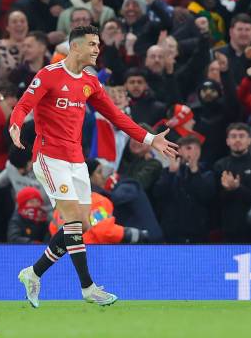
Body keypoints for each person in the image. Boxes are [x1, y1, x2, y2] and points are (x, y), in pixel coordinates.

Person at [9, 25, 178, 308]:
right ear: (75, 47)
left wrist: (150, 139)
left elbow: (115, 116)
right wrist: (15, 125)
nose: (97, 49)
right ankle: (88, 287)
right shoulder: (49, 75)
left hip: (76, 160)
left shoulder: (90, 82)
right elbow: (24, 105)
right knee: (74, 221)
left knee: (83, 225)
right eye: (91, 44)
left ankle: (33, 273)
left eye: (98, 44)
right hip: (50, 158)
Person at [152, 135, 215, 243]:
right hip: (172, 232)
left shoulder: (206, 173)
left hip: (197, 232)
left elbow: (207, 197)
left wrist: (194, 171)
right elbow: (158, 194)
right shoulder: (168, 171)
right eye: (186, 148)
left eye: (193, 148)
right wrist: (171, 174)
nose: (193, 152)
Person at [213, 122, 251, 242]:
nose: (237, 140)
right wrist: (228, 190)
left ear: (249, 140)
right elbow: (215, 200)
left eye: (241, 136)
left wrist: (237, 188)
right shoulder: (220, 165)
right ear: (227, 141)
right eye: (233, 136)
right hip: (228, 229)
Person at [0, 10, 29, 82]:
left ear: (27, 25)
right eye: (14, 22)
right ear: (7, 27)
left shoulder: (36, 46)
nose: (19, 24)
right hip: (0, 90)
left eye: (22, 21)